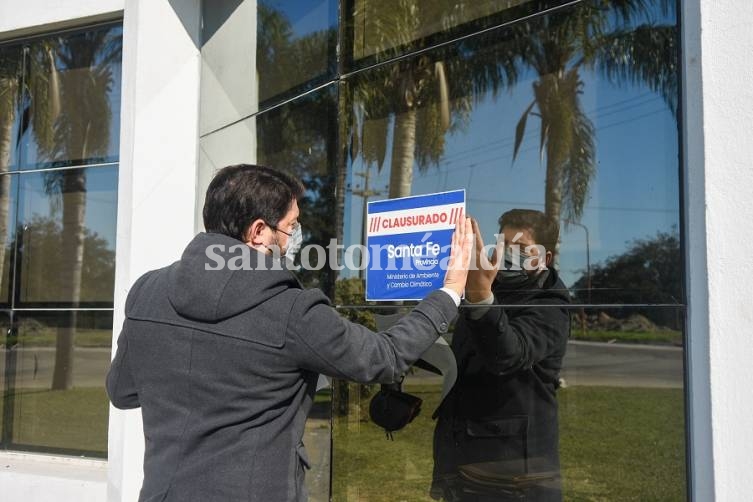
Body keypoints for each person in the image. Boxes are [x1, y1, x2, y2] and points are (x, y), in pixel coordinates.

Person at [106, 164, 473, 502]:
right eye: (292, 227)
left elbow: (122, 393)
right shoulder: (292, 310)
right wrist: (451, 290)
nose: (294, 238)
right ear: (258, 231)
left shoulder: (146, 292)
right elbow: (383, 358)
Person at [431, 209, 571, 502]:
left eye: (521, 249)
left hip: (512, 475)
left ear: (545, 258)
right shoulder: (488, 289)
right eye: (504, 244)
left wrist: (481, 297)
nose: (508, 253)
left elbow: (509, 355)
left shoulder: (549, 304)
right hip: (467, 460)